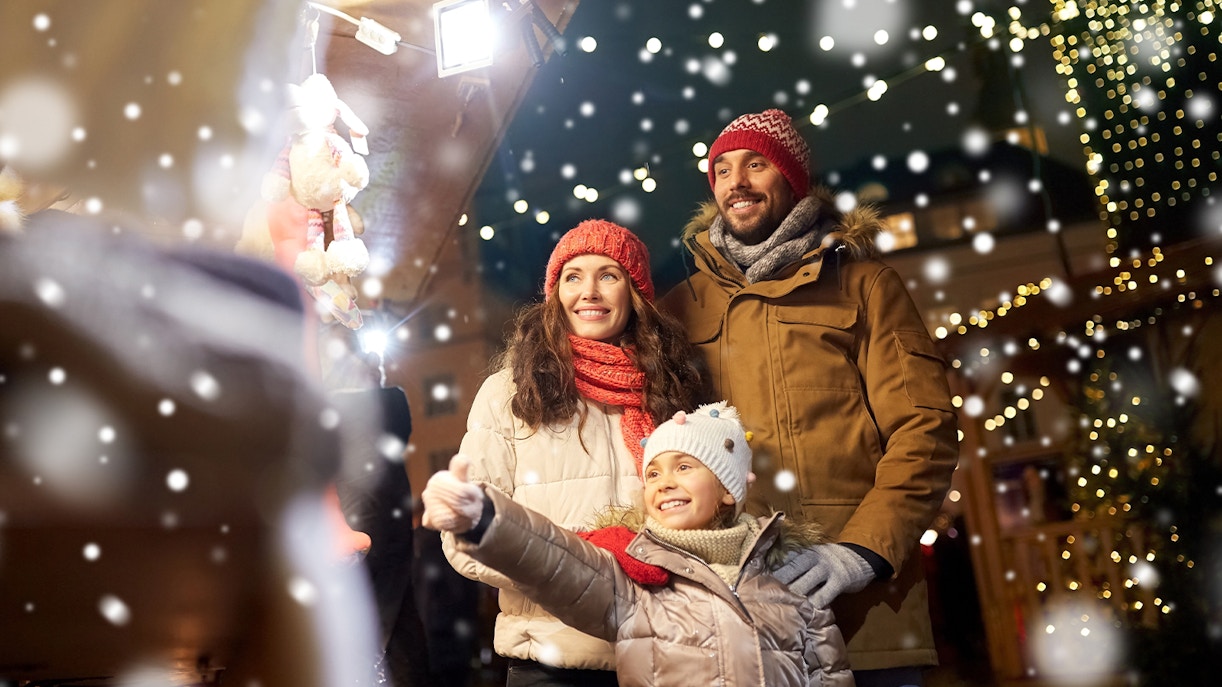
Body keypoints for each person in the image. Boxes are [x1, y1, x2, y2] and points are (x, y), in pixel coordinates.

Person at [659, 109, 960, 686]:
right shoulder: (679, 308)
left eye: (755, 164)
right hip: (737, 620)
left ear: (792, 179)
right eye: (721, 169)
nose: (736, 181)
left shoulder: (866, 286)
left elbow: (925, 430)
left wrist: (860, 553)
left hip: (864, 616)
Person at [441, 218, 708, 686]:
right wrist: (577, 564)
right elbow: (466, 539)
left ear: (636, 294)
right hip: (548, 659)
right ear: (555, 295)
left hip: (660, 656)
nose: (590, 292)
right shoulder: (509, 392)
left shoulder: (670, 390)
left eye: (609, 275)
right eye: (573, 276)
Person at [423, 402, 855, 687]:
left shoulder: (790, 581)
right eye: (653, 473)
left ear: (728, 488)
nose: (665, 482)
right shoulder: (637, 581)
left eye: (684, 466)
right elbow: (555, 560)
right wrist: (483, 518)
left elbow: (829, 674)